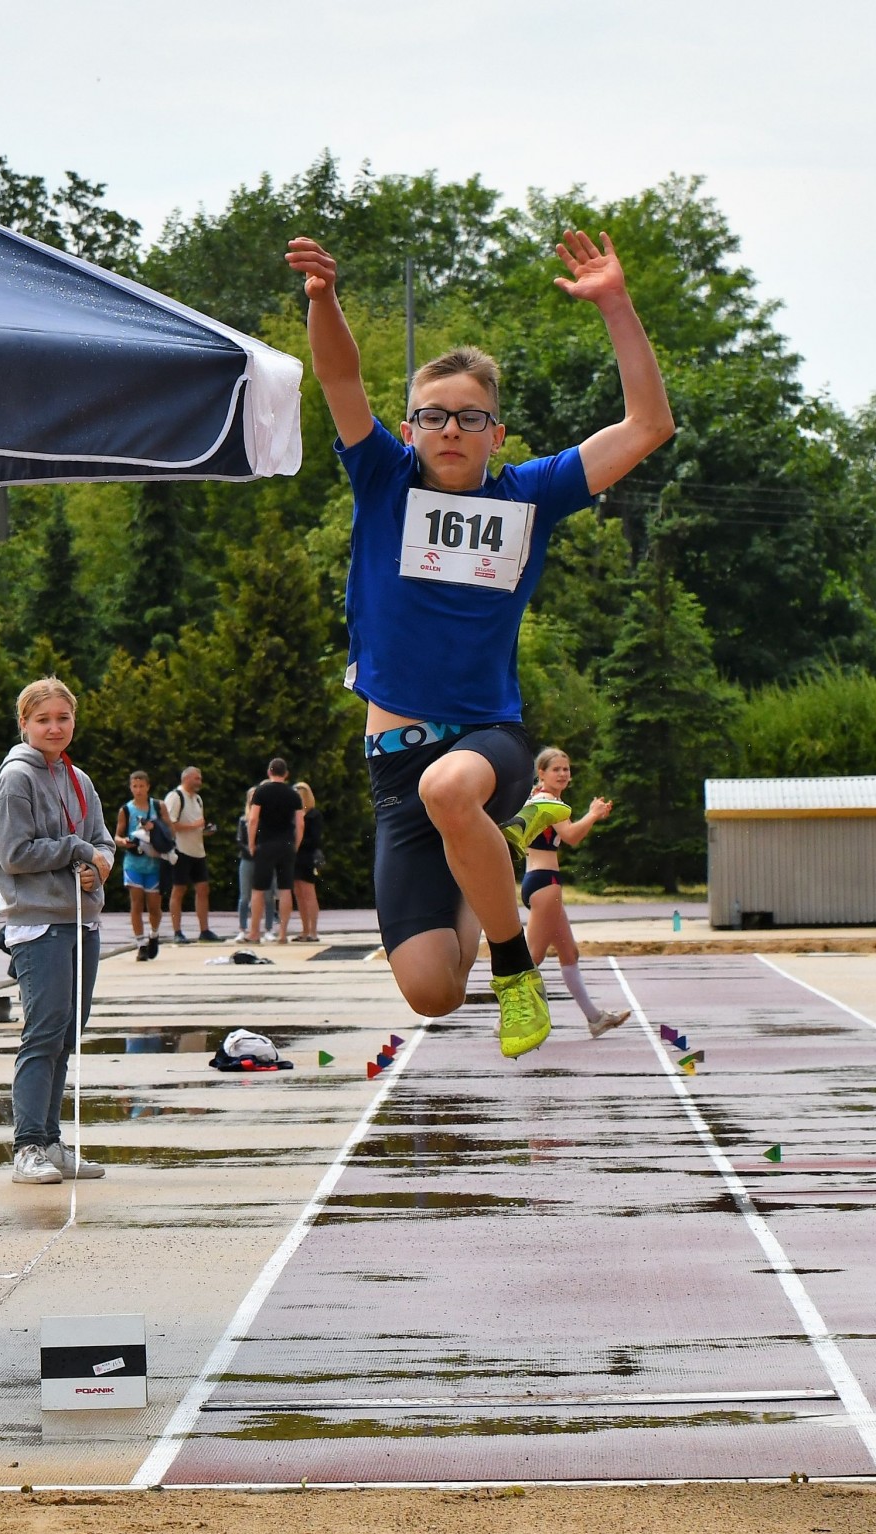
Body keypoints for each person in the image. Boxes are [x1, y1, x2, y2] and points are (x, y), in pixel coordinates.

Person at [285, 227, 673, 1056]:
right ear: (410, 428)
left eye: (470, 417)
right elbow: (339, 376)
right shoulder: (383, 478)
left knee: (452, 787)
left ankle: (516, 972)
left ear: (497, 433)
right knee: (431, 992)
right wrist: (324, 300)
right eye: (433, 417)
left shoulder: (531, 494)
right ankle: (486, 863)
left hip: (485, 741)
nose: (450, 429)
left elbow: (647, 425)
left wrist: (615, 303)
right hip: (396, 771)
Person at [0, 678, 114, 1184]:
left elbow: (102, 842)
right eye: (43, 719)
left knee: (67, 1034)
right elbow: (13, 854)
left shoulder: (79, 779)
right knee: (43, 1034)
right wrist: (77, 850)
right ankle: (27, 1146)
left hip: (82, 920)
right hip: (39, 924)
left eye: (63, 718)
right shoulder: (16, 778)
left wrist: (97, 866)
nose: (54, 727)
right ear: (24, 723)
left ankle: (52, 1142)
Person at [519, 746, 630, 1038]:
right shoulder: (547, 801)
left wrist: (592, 816)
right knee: (533, 957)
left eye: (566, 769)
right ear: (541, 773)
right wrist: (592, 815)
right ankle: (507, 1018)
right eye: (556, 769)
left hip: (539, 880)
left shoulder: (538, 797)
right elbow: (571, 837)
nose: (563, 774)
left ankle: (596, 1018)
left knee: (569, 952)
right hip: (544, 883)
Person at [247, 757, 303, 943]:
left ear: (269, 772)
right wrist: (296, 844)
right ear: (286, 774)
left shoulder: (261, 791)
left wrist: (251, 843)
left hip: (266, 843)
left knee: (258, 889)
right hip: (286, 844)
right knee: (285, 888)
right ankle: (283, 934)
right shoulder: (293, 794)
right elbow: (300, 823)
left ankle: (254, 933)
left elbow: (253, 819)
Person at [163, 765, 221, 944]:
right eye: (197, 778)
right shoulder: (175, 796)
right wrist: (194, 826)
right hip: (181, 850)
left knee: (203, 889)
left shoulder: (197, 799)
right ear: (186, 778)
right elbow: (169, 824)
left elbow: (196, 825)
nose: (200, 782)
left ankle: (204, 930)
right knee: (179, 890)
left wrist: (204, 830)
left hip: (197, 850)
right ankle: (177, 931)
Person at [114, 770, 165, 960]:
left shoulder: (158, 806)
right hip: (133, 861)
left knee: (154, 906)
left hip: (154, 862)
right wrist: (124, 841)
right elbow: (117, 835)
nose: (138, 790)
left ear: (148, 787)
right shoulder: (126, 810)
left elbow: (170, 829)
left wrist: (155, 829)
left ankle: (154, 934)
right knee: (136, 903)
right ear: (130, 787)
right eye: (135, 786)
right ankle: (140, 943)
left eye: (141, 786)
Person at [235, 786, 277, 941]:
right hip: (248, 859)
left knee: (268, 895)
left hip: (264, 858)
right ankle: (242, 928)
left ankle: (268, 929)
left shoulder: (267, 819)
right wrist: (250, 850)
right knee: (244, 896)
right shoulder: (243, 819)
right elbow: (240, 840)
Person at [291, 780, 324, 941]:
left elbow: (315, 839)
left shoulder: (313, 815)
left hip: (307, 856)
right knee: (298, 893)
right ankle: (304, 930)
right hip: (295, 857)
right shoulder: (294, 815)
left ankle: (313, 931)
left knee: (308, 893)